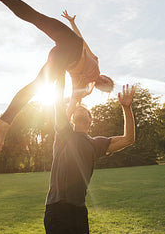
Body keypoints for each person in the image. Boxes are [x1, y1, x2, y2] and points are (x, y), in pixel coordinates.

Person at [0, 0, 114, 154]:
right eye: (107, 80)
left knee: (38, 85)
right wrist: (73, 23)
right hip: (70, 42)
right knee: (37, 18)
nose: (103, 81)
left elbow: (73, 101)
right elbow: (83, 40)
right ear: (106, 75)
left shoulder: (86, 88)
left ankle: (4, 121)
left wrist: (64, 122)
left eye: (105, 86)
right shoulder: (95, 60)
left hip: (65, 58)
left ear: (100, 89)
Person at [44, 82, 135, 234]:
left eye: (84, 110)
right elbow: (59, 112)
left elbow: (128, 139)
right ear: (72, 119)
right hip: (57, 209)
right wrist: (75, 98)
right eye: (76, 111)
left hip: (79, 211)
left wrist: (126, 108)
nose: (79, 110)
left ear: (90, 119)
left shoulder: (95, 144)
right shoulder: (64, 135)